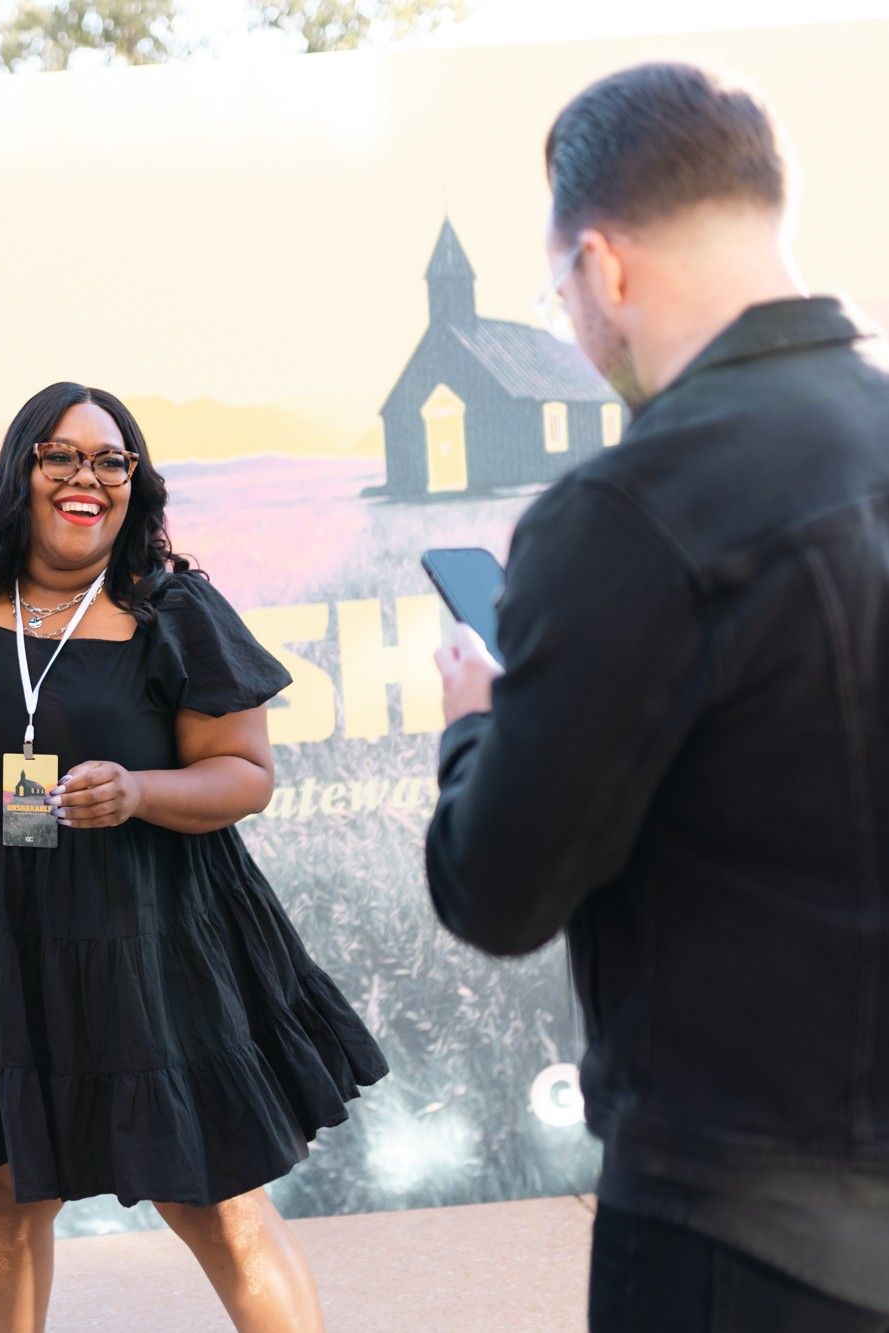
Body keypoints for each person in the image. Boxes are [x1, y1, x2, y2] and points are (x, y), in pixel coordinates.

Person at [425, 63, 889, 1332]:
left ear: (604, 269)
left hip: (742, 1232)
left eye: (558, 292)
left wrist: (475, 727)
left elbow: (498, 889)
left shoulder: (627, 512)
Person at [0, 381, 387, 1333]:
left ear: (135, 481)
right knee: (5, 1204)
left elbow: (245, 774)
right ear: (21, 470)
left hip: (148, 941)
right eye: (61, 455)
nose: (86, 476)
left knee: (215, 1202)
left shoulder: (174, 608)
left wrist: (139, 790)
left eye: (111, 458)